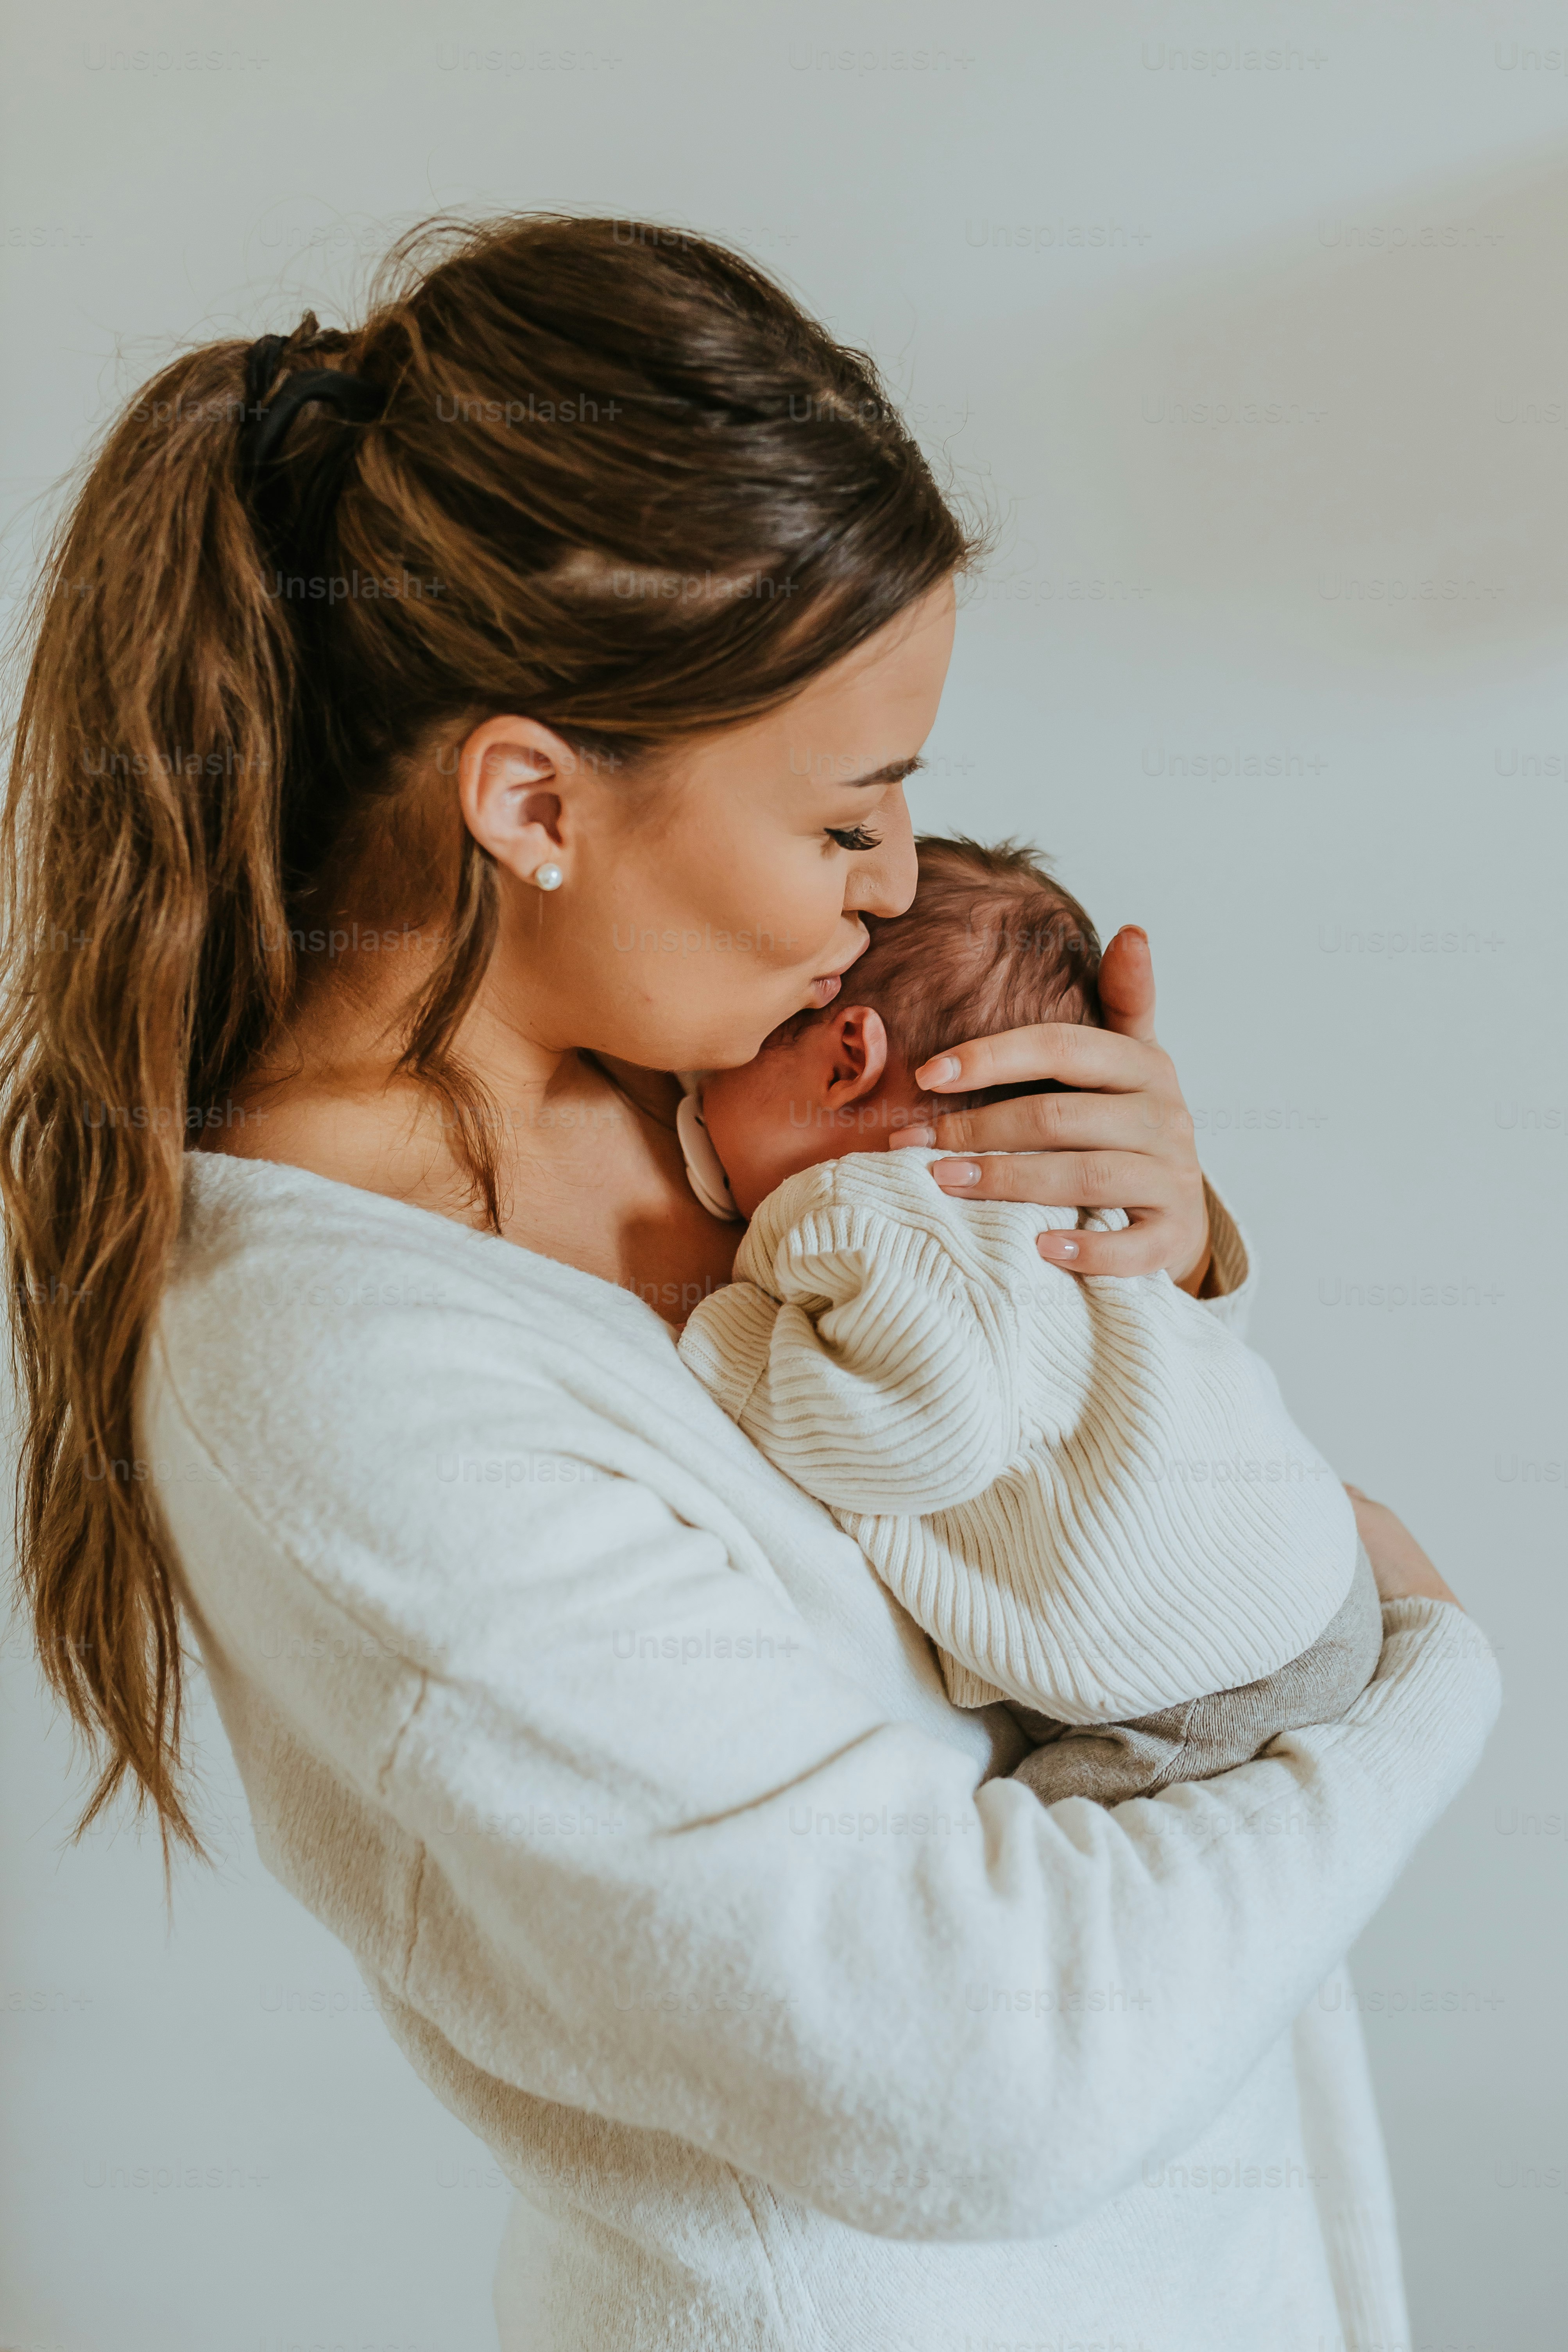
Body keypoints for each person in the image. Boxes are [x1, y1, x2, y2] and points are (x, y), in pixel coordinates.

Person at [0, 215, 1494, 2352]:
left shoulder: (698, 1075)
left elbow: (1047, 1602)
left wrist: (1144, 1281)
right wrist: (1417, 1675)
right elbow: (985, 2075)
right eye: (845, 817)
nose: (899, 887)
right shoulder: (341, 1383)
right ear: (527, 800)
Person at [677, 833, 1382, 1803]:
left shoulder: (859, 1208)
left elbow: (920, 1436)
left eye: (717, 1074)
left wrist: (728, 1336)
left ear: (848, 1060)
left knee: (1082, 1897)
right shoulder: (1046, 1186)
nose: (694, 1102)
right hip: (1296, 1586)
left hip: (1196, 1678)